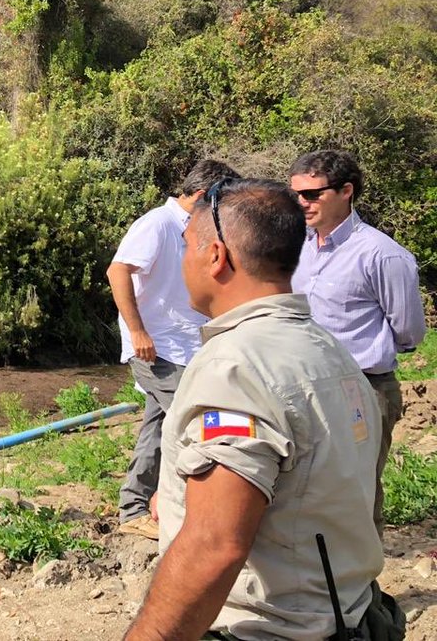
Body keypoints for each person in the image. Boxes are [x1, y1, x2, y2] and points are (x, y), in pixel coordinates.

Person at [125, 179, 404, 641]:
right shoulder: (325, 347)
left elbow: (214, 546)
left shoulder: (235, 368)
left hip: (268, 628)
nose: (182, 263)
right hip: (349, 614)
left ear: (216, 257)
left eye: (186, 248)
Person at [290, 149, 426, 536]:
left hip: (360, 388)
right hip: (301, 387)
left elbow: (409, 330)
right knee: (308, 488)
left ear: (346, 191)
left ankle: (365, 590)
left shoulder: (382, 255)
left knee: (359, 491)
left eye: (313, 194)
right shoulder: (295, 247)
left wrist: (364, 350)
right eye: (297, 194)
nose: (302, 203)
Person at [108, 159, 239, 540]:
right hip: (155, 348)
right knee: (197, 423)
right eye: (220, 201)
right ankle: (192, 507)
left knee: (160, 424)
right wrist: (137, 332)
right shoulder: (157, 224)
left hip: (186, 348)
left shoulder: (191, 228)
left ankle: (134, 505)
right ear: (202, 196)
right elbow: (118, 271)